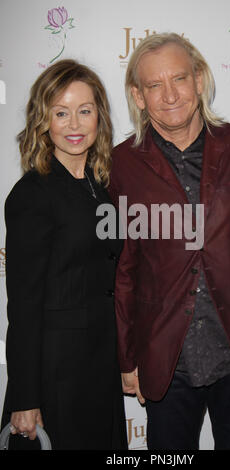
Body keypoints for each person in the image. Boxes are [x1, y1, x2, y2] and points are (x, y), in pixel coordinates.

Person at [108, 33, 230, 450]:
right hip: (166, 360)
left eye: (179, 78)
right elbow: (125, 268)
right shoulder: (121, 163)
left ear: (199, 80)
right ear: (138, 96)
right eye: (154, 85)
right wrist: (127, 357)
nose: (170, 95)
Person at [1, 59, 127, 450]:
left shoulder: (99, 186)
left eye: (84, 111)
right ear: (44, 120)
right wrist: (25, 398)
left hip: (100, 364)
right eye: (61, 112)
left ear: (99, 117)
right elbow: (23, 306)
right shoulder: (32, 195)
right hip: (57, 374)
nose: (74, 124)